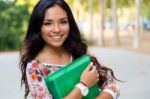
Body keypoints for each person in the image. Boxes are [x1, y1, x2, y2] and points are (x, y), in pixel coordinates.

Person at [20, 0, 120, 99]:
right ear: (38, 27)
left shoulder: (80, 52)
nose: (57, 29)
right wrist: (83, 85)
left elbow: (113, 87)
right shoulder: (34, 68)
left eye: (63, 22)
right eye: (48, 23)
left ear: (70, 24)